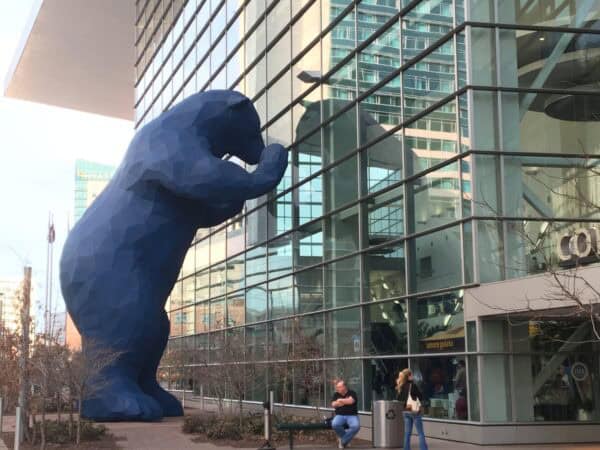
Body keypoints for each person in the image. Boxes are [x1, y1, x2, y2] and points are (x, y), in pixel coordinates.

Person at [396, 369, 428, 450]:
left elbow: (399, 399)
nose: (412, 376)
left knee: (407, 433)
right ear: (409, 376)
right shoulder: (412, 385)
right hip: (414, 411)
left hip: (405, 411)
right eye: (411, 375)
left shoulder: (401, 386)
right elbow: (420, 396)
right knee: (420, 433)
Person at [331, 379, 360, 448]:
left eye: (339, 387)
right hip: (340, 415)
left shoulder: (352, 393)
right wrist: (344, 402)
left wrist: (340, 400)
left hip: (352, 415)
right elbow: (333, 404)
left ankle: (343, 441)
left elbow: (351, 401)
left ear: (344, 387)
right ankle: (346, 441)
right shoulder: (336, 394)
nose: (338, 389)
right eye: (337, 387)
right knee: (335, 424)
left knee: (356, 426)